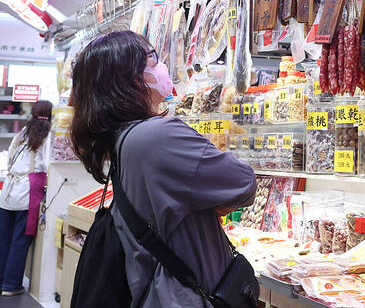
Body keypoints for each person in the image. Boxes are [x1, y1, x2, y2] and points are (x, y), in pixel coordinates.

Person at [70, 31, 256, 307]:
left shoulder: (125, 139)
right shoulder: (157, 135)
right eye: (152, 60)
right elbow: (244, 183)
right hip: (185, 297)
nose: (161, 67)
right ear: (131, 77)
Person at [0, 99, 51, 296]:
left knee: (4, 239)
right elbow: (49, 165)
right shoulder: (47, 137)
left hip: (8, 193)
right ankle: (11, 285)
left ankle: (3, 280)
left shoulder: (21, 133)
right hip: (28, 193)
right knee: (21, 240)